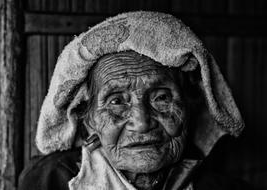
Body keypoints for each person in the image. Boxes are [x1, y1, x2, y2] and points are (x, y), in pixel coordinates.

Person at [18, 11, 247, 190]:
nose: (142, 123)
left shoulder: (221, 186)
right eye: (116, 101)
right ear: (89, 121)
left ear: (190, 105)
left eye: (162, 98)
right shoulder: (50, 180)